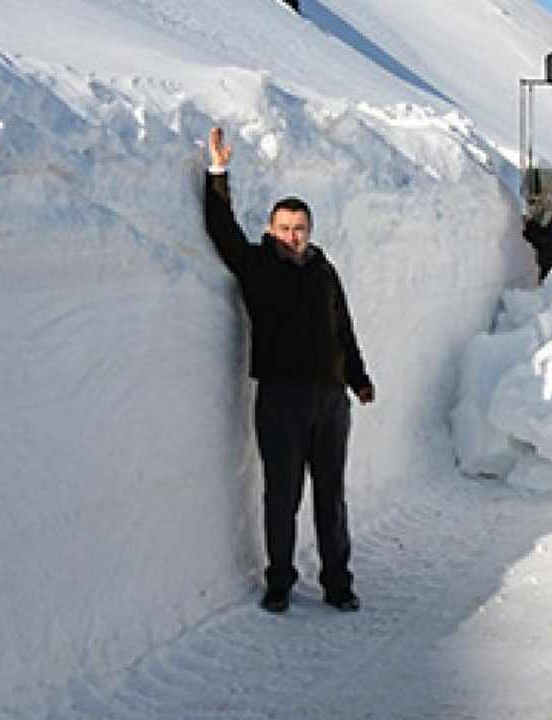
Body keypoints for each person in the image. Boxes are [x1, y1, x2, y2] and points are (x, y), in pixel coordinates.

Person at [202, 126, 375, 614]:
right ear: (271, 229)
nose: (292, 236)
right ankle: (279, 582)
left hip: (331, 401)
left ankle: (337, 583)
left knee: (331, 498)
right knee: (283, 496)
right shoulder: (258, 266)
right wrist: (218, 171)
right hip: (281, 400)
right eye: (284, 228)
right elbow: (221, 229)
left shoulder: (323, 269)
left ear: (309, 232)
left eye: (299, 228)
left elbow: (344, 328)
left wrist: (358, 378)